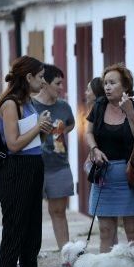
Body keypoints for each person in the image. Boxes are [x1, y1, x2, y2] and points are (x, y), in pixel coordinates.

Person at [0, 55, 64, 267]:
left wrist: (41, 128)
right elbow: (13, 143)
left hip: (33, 169)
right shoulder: (10, 104)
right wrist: (38, 128)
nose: (43, 81)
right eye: (40, 76)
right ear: (28, 78)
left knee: (32, 235)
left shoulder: (28, 103)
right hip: (15, 173)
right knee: (13, 233)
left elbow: (29, 138)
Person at [85, 63, 134, 267]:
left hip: (129, 175)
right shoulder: (99, 106)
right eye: (106, 83)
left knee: (133, 230)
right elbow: (88, 132)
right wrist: (94, 148)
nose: (107, 87)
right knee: (106, 230)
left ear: (125, 86)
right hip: (104, 175)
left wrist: (130, 112)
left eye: (113, 83)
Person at [32, 64, 75, 251]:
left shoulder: (63, 106)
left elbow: (70, 124)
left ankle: (66, 253)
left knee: (59, 211)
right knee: (30, 213)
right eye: (57, 83)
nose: (60, 87)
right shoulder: (30, 106)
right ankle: (28, 254)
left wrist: (58, 135)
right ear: (45, 83)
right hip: (34, 166)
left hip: (59, 165)